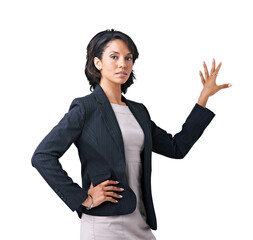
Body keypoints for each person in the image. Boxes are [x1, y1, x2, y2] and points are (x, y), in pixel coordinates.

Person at [31, 29, 231, 240]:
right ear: (97, 62)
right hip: (104, 224)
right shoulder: (85, 108)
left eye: (128, 58)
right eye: (114, 57)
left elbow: (176, 148)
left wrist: (203, 98)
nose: (123, 64)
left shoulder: (138, 111)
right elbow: (43, 156)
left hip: (140, 221)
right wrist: (83, 198)